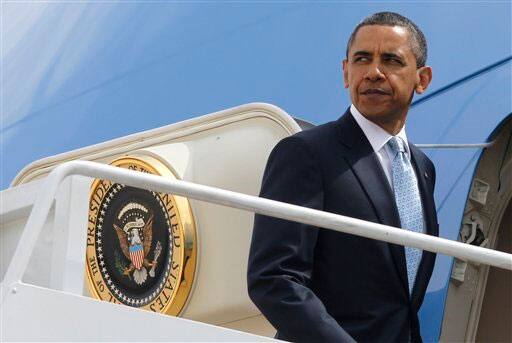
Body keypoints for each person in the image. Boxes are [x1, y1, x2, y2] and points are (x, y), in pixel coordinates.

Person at [247, 12, 438, 343]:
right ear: (346, 72)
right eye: (362, 59)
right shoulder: (306, 153)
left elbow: (401, 301)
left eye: (391, 61)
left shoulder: (422, 168)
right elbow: (274, 279)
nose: (374, 72)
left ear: (422, 79)